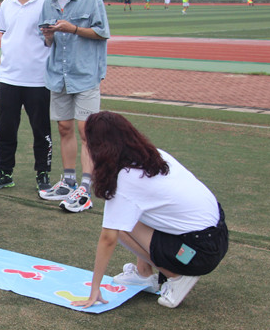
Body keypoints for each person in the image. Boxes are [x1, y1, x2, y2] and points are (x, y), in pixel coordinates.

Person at [72, 111, 228, 310]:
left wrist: (95, 288)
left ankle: (177, 277)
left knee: (119, 226)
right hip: (217, 237)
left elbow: (108, 238)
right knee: (131, 214)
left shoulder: (126, 179)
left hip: (196, 254)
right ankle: (143, 273)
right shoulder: (154, 154)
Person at [31, 0, 110, 213]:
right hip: (58, 74)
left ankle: (85, 188)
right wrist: (49, 35)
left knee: (87, 131)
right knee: (64, 128)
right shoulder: (48, 3)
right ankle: (68, 181)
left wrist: (73, 29)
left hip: (85, 73)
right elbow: (47, 42)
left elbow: (102, 33)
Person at [0, 0, 52, 192]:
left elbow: (51, 38)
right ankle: (5, 173)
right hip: (8, 78)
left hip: (38, 79)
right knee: (6, 130)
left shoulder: (47, 1)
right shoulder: (7, 3)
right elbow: (7, 35)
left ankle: (43, 174)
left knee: (41, 131)